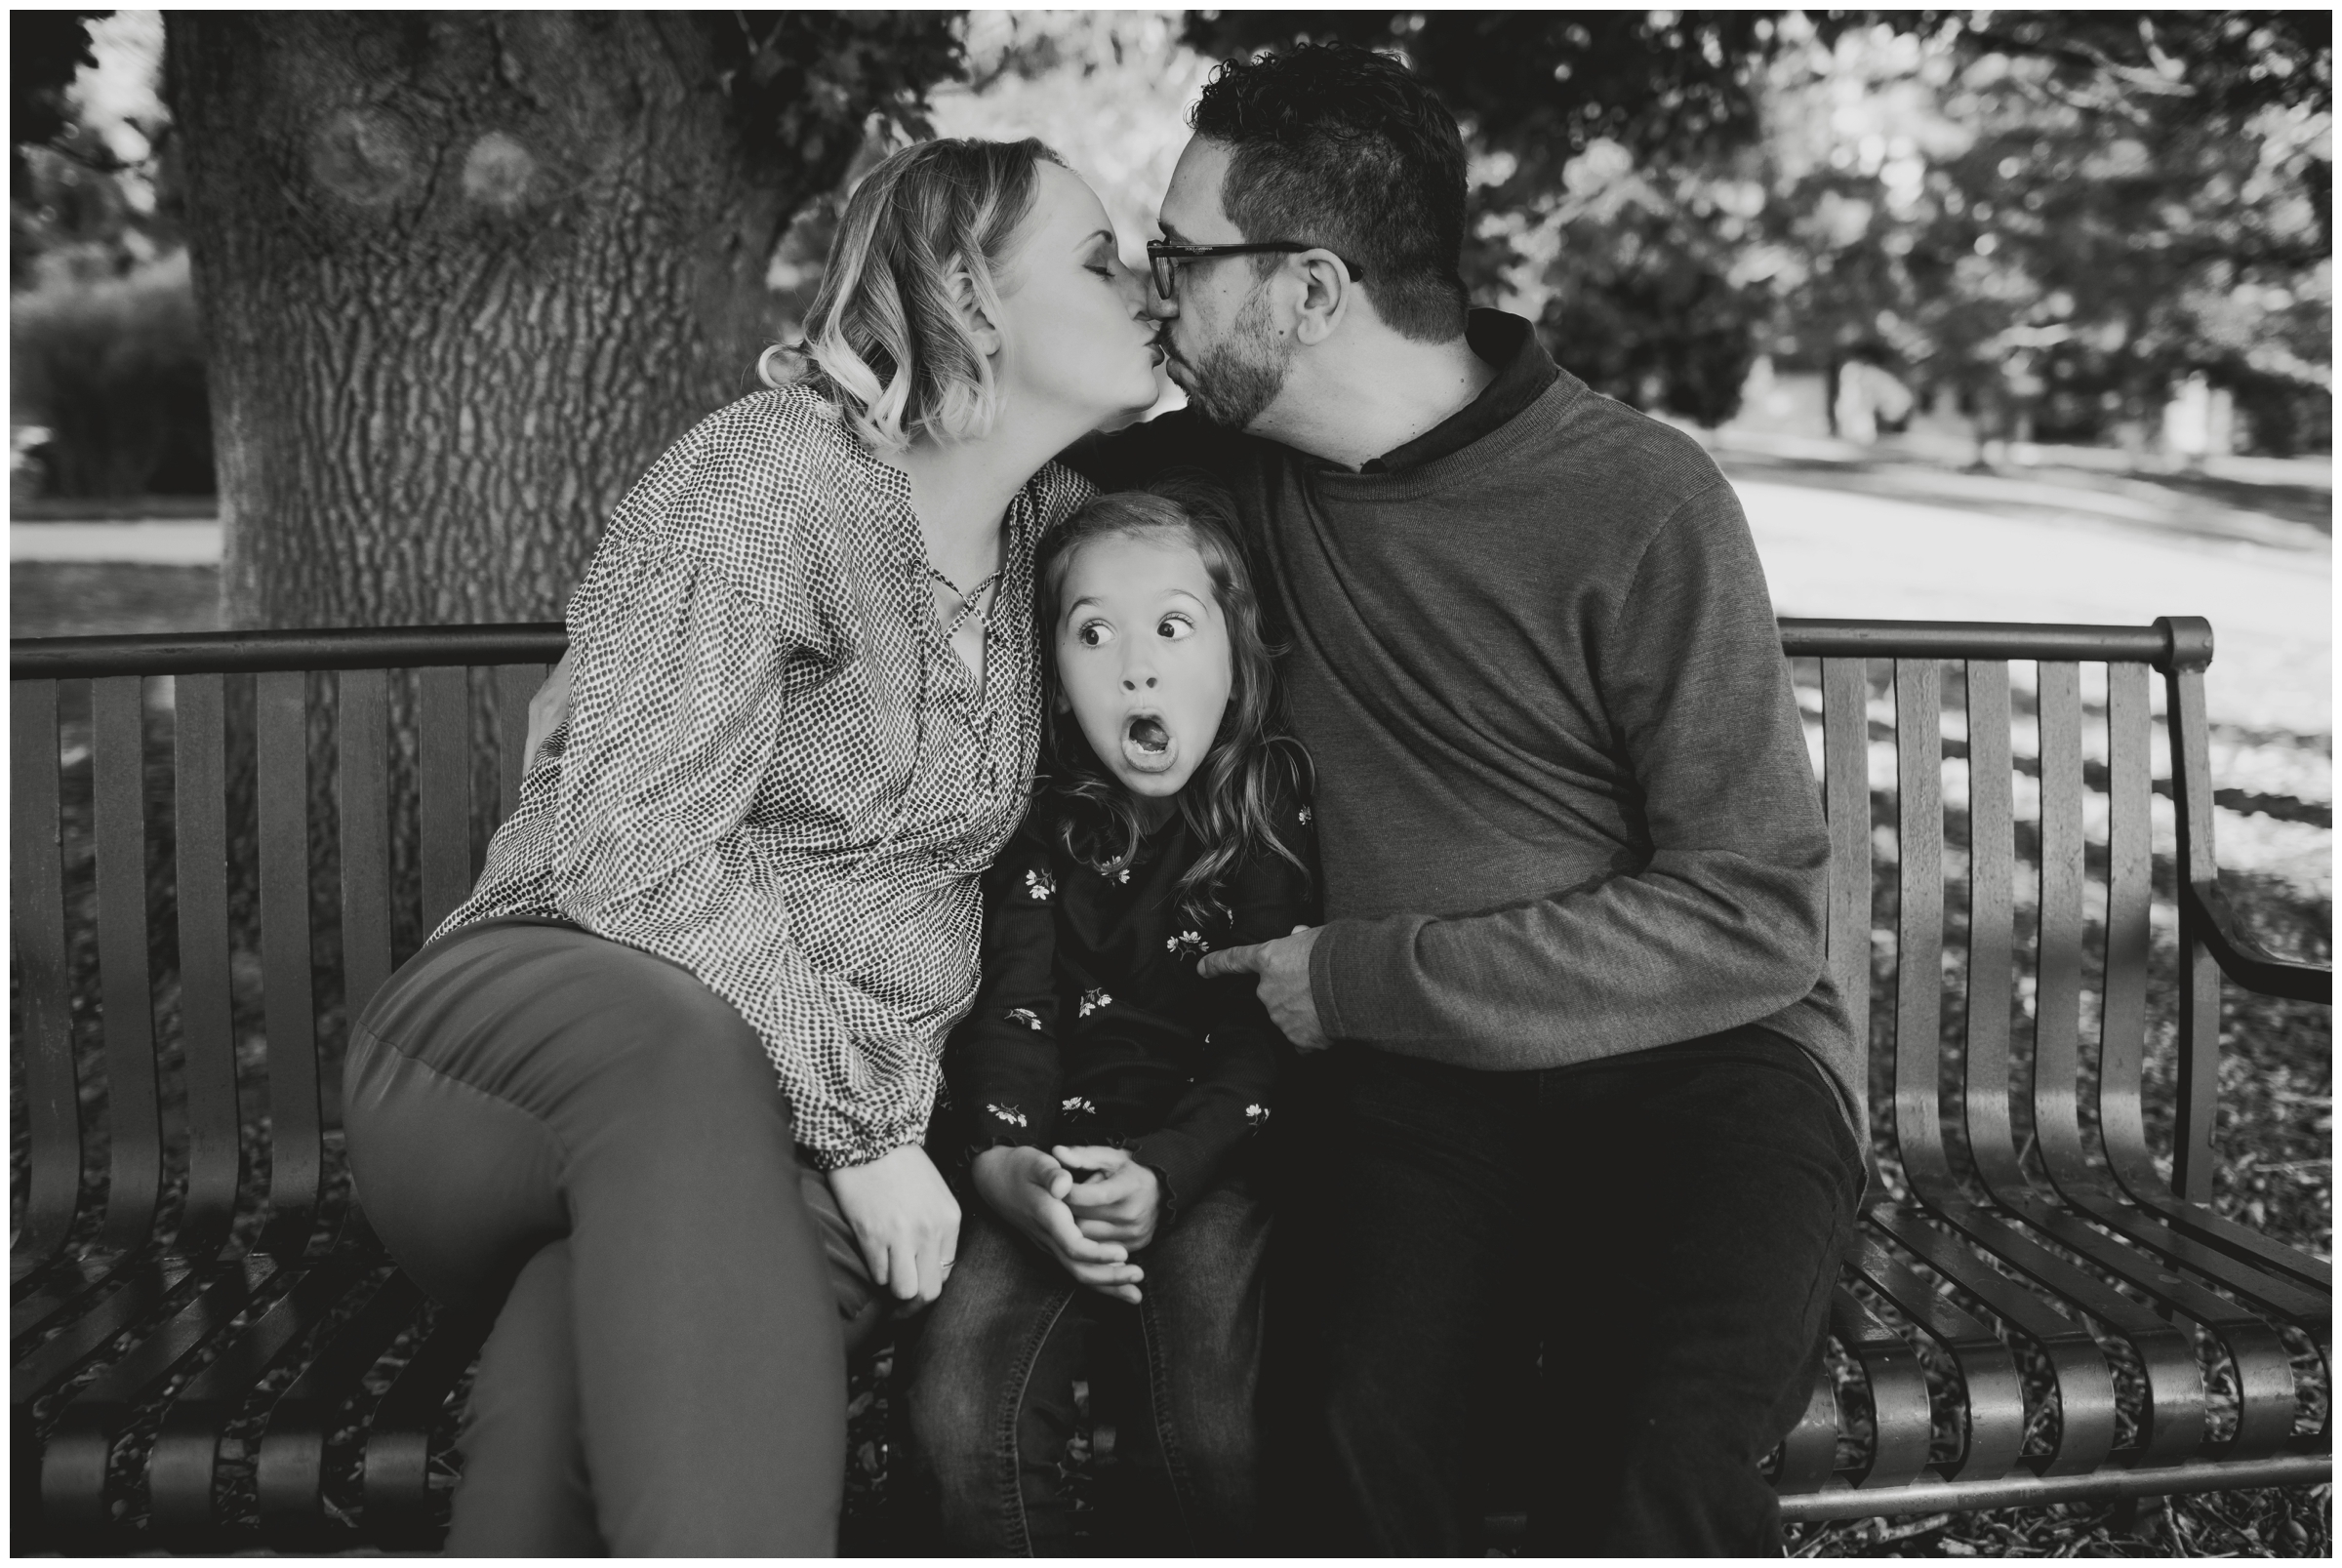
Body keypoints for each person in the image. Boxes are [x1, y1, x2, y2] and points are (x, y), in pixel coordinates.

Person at [1070, 44, 1868, 1556]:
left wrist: (1363, 975)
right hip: (1421, 1085)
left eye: (1178, 257)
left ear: (1310, 288)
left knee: (1654, 1475)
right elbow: (958, 475)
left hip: (1710, 1061)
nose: (1153, 290)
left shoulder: (1638, 495)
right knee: (1352, 1451)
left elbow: (1757, 911)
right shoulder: (1221, 487)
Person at [341, 136, 1165, 1555]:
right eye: (1101, 259)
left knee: (559, 1413)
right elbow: (627, 846)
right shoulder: (769, 479)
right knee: (680, 1049)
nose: (1145, 283)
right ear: (968, 293)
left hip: (774, 1161)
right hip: (517, 1051)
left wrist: (859, 1138)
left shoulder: (1058, 541)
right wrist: (865, 1129)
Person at [900, 480, 1315, 1554]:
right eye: (1095, 634)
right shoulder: (1036, 814)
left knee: (1215, 1433)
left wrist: (1168, 1171)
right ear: (1055, 677)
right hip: (1039, 1155)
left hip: (1212, 1159)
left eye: (1174, 626)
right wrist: (1006, 1168)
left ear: (1236, 658)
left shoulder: (1268, 804)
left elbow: (1264, 1043)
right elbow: (1011, 1011)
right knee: (954, 1416)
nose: (1137, 665)